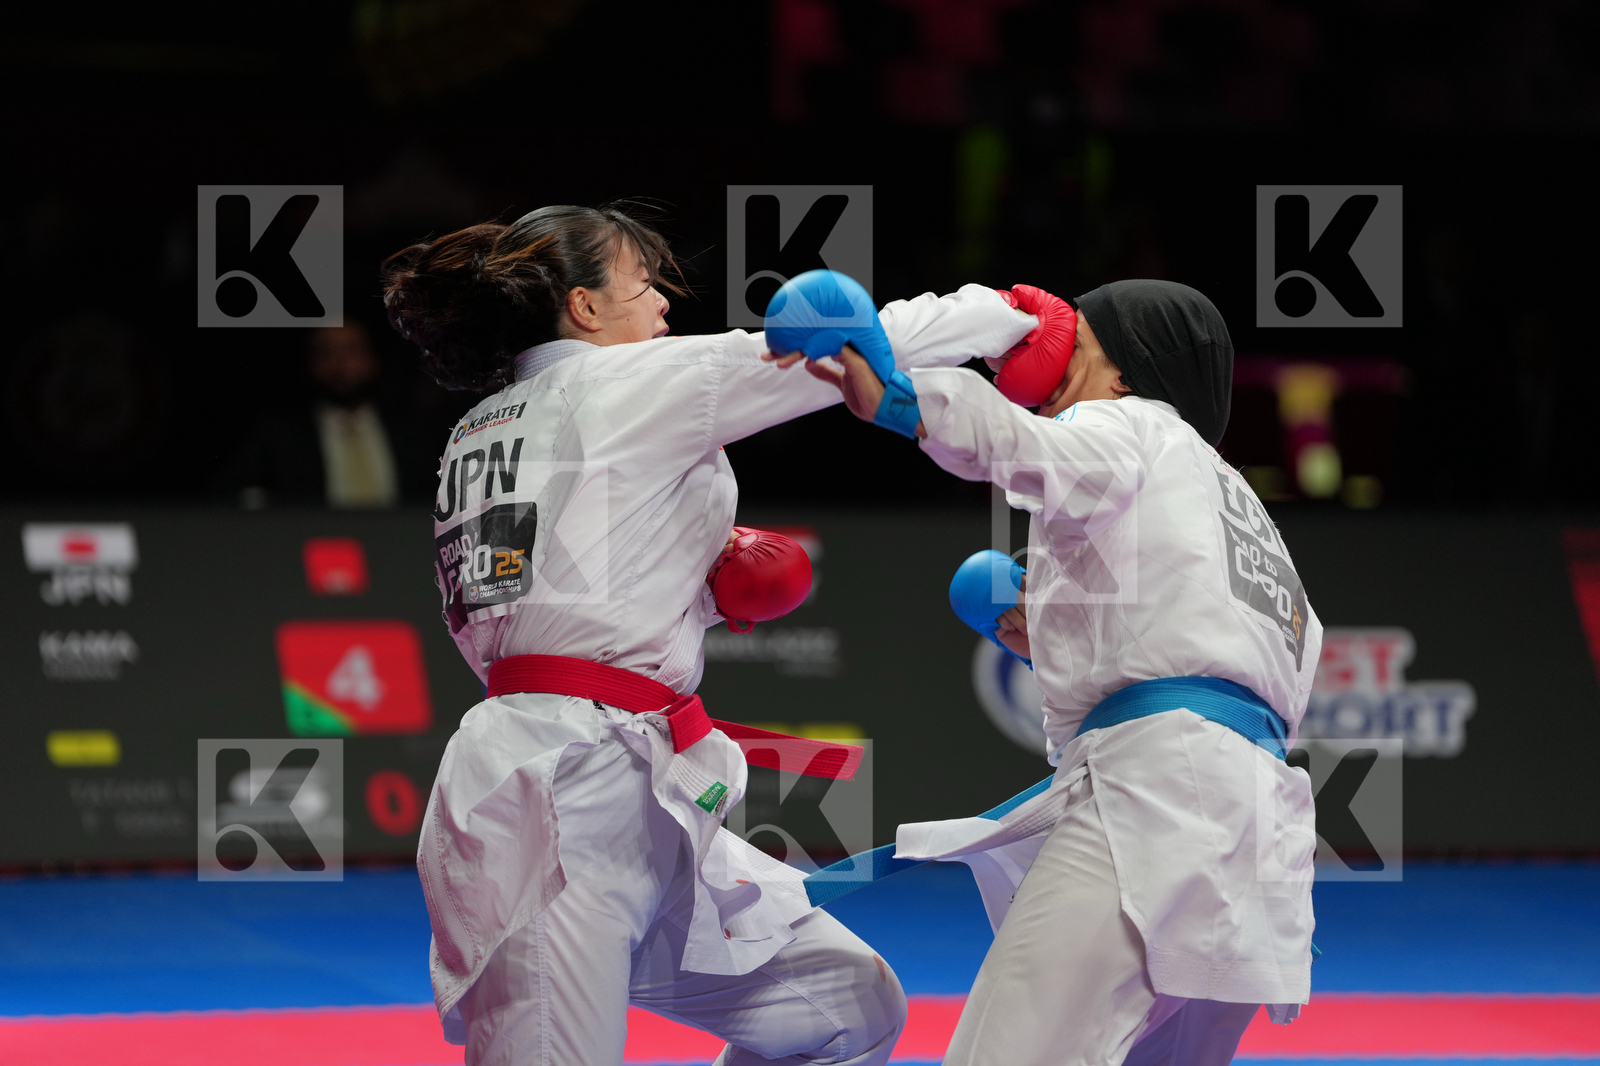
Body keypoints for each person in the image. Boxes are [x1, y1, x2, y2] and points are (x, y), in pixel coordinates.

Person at [380, 203, 1044, 1065]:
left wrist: (697, 579)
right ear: (584, 308)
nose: (662, 305)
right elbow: (850, 342)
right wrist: (1014, 312)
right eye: (644, 283)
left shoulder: (477, 432)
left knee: (845, 1005)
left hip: (625, 781)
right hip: (558, 796)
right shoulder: (624, 384)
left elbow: (532, 600)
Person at [778, 278, 1321, 1066]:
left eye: (1079, 342)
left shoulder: (1132, 423)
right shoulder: (1242, 506)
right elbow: (1234, 664)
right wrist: (1060, 630)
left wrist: (901, 397)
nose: (1050, 354)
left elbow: (1024, 448)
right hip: (1260, 832)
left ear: (1128, 372)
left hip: (1159, 800)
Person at [223, 321, 428, 508]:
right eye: (325, 352)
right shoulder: (279, 435)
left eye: (351, 351)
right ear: (310, 362)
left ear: (373, 358)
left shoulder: (415, 430)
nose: (338, 364)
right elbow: (234, 496)